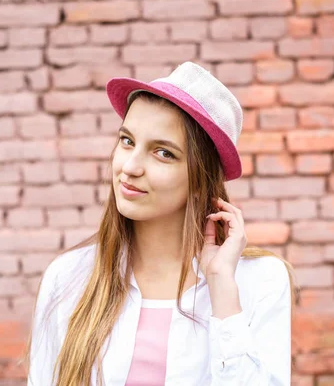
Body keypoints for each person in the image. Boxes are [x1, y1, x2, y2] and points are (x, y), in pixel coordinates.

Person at [24, 62, 296, 386]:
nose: (131, 167)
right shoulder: (68, 278)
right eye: (127, 141)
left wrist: (222, 287)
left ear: (200, 179)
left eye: (163, 153)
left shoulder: (260, 281)